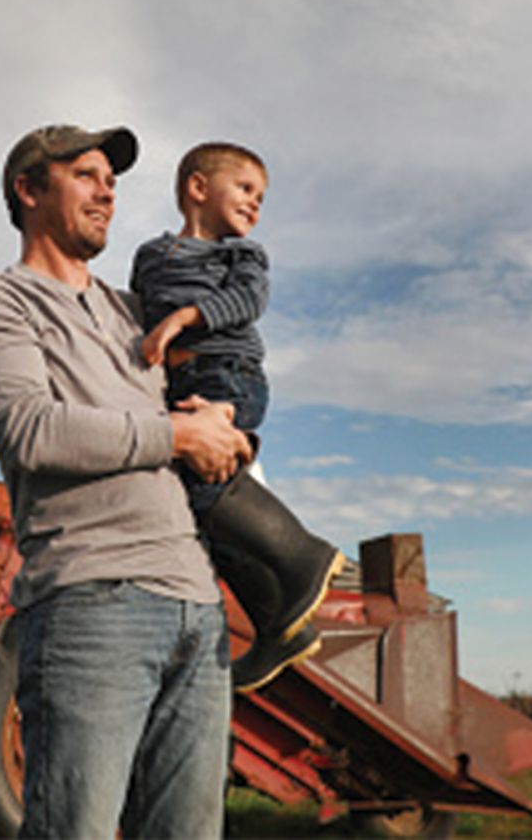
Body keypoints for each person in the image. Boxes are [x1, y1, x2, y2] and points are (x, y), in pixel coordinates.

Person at [0, 124, 250, 839]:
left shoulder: (130, 312)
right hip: (93, 606)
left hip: (195, 606)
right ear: (28, 191)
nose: (107, 189)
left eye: (112, 178)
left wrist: (221, 420)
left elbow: (205, 399)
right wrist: (178, 436)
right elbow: (32, 429)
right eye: (85, 174)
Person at [130, 142, 345, 693]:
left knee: (203, 486)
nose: (255, 205)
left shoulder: (242, 258)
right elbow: (136, 320)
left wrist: (185, 317)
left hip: (229, 374)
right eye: (246, 189)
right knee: (191, 506)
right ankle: (279, 622)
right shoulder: (151, 257)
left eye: (261, 197)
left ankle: (300, 557)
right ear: (199, 188)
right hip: (181, 386)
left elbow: (249, 302)